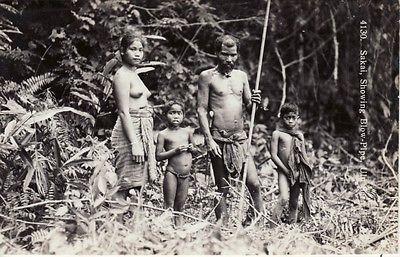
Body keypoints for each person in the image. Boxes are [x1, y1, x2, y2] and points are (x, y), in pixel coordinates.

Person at [196, 34, 263, 224]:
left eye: (233, 55)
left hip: (240, 138)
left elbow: (248, 105)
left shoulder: (242, 76)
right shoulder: (207, 77)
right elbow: (201, 109)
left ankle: (255, 222)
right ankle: (222, 226)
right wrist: (208, 139)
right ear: (217, 53)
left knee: (254, 183)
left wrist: (255, 101)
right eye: (225, 54)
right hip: (219, 138)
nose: (229, 59)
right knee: (222, 187)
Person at [111, 30, 157, 201]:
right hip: (128, 132)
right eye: (133, 49)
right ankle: (115, 225)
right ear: (123, 50)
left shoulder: (134, 73)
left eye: (140, 50)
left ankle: (133, 225)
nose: (138, 53)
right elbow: (123, 112)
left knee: (137, 183)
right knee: (124, 183)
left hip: (141, 127)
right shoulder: (122, 75)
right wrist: (134, 143)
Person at [156, 101, 198, 226]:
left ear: (183, 115)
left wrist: (192, 148)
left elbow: (195, 151)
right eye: (172, 113)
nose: (175, 116)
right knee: (169, 206)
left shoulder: (188, 132)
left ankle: (179, 231)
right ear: (165, 115)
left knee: (180, 207)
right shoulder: (163, 134)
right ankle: (167, 230)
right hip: (172, 173)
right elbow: (158, 156)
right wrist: (175, 151)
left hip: (185, 175)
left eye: (179, 113)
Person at [270, 103, 312, 224]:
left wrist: (306, 172)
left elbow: (304, 156)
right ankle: (271, 226)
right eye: (287, 117)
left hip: (297, 172)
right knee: (283, 198)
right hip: (283, 172)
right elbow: (273, 155)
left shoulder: (299, 136)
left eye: (293, 117)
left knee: (294, 202)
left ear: (297, 118)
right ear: (282, 118)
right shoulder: (277, 134)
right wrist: (286, 170)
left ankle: (291, 227)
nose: (290, 121)